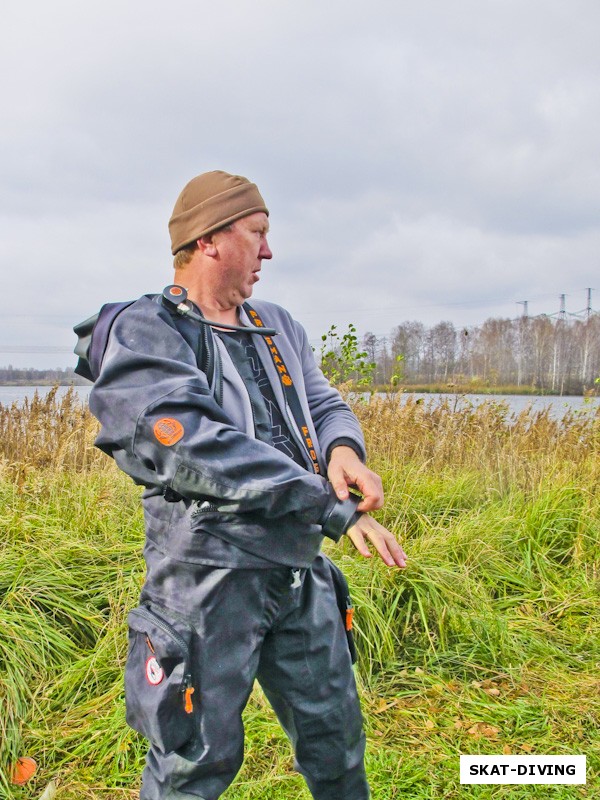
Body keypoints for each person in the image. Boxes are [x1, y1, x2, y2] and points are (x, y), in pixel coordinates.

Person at [85, 170, 407, 800]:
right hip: (205, 583)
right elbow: (196, 449)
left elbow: (323, 399)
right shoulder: (149, 331)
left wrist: (342, 450)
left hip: (297, 570)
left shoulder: (276, 323)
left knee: (336, 744)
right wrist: (328, 507)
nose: (268, 251)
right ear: (208, 240)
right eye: (257, 233)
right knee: (192, 766)